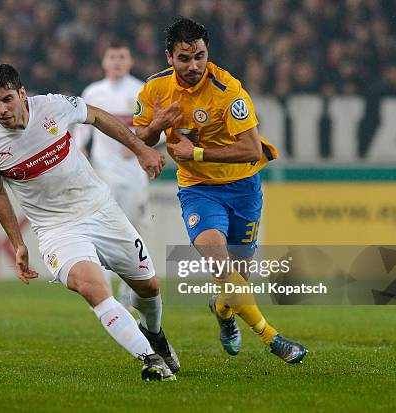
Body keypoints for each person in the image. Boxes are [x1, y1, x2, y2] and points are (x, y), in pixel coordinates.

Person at [0, 64, 180, 381]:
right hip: (58, 230)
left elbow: (95, 116)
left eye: (7, 99)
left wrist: (140, 149)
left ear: (22, 93)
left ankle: (154, 335)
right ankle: (150, 359)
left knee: (149, 286)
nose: (1, 110)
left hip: (100, 208)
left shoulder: (54, 106)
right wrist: (18, 243)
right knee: (93, 288)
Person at [133, 17, 307, 363]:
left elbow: (252, 150)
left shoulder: (228, 90)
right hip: (199, 190)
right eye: (184, 58)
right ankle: (272, 338)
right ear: (169, 57)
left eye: (199, 55)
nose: (194, 65)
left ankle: (223, 312)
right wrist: (157, 126)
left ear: (207, 51)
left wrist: (195, 152)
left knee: (235, 282)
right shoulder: (154, 89)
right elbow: (139, 138)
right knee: (220, 264)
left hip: (243, 186)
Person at [72, 40, 148, 309]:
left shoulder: (141, 90)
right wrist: (80, 147)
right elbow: (82, 128)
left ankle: (129, 289)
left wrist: (142, 144)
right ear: (104, 62)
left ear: (129, 61)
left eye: (122, 56)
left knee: (132, 231)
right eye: (112, 56)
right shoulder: (94, 92)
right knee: (99, 228)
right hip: (102, 173)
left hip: (133, 175)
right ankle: (102, 288)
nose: (117, 61)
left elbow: (158, 129)